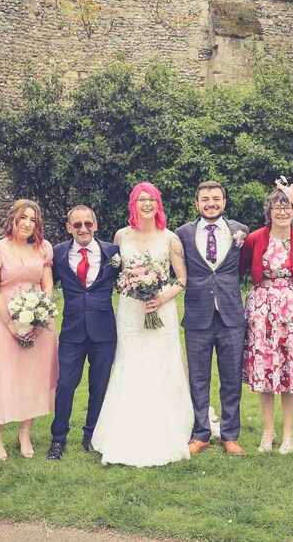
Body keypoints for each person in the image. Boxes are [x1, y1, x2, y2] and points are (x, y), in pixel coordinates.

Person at [91, 182, 194, 467]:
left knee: (161, 362)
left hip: (161, 309)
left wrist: (161, 298)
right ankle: (126, 426)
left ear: (158, 204)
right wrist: (131, 285)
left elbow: (182, 278)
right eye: (141, 199)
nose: (147, 204)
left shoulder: (171, 239)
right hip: (130, 312)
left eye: (152, 199)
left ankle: (169, 425)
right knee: (130, 361)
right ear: (133, 204)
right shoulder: (121, 236)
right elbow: (116, 273)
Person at [0, 199, 58, 460]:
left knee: (33, 376)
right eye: (23, 217)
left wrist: (40, 317)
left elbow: (48, 286)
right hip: (5, 321)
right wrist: (12, 324)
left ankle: (25, 432)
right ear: (12, 219)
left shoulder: (43, 248)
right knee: (3, 375)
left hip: (39, 323)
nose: (27, 224)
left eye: (33, 220)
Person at [239, 178, 293, 454]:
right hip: (262, 311)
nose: (282, 212)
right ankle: (268, 432)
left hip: (291, 311)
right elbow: (239, 270)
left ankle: (289, 434)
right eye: (277, 208)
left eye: (287, 208)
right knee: (266, 370)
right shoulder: (255, 238)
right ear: (269, 211)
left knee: (288, 370)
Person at [175, 181, 250, 457]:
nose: (211, 203)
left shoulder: (240, 231)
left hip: (231, 315)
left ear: (224, 202)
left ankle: (230, 435)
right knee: (198, 379)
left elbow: (243, 267)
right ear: (197, 203)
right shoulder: (182, 234)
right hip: (197, 315)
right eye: (205, 199)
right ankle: (201, 434)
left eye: (216, 198)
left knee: (231, 379)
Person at [46, 205, 121, 461]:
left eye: (88, 224)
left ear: (95, 225)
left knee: (99, 386)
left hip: (104, 330)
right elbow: (44, 282)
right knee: (65, 384)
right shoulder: (58, 253)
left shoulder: (112, 252)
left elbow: (128, 280)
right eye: (77, 225)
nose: (83, 229)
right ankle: (58, 438)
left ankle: (92, 435)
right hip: (72, 330)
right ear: (69, 228)